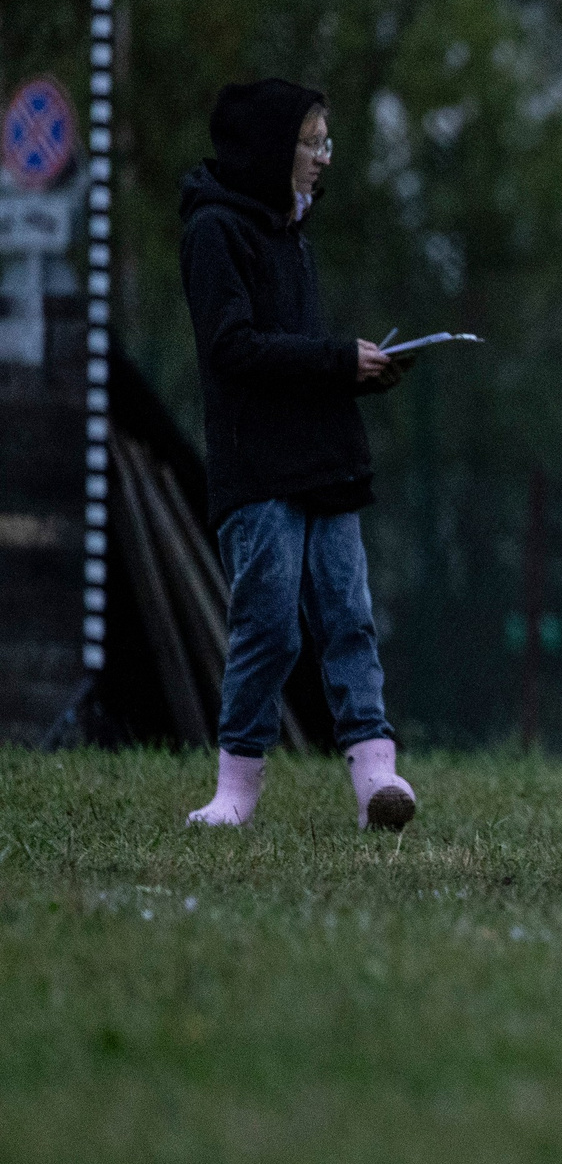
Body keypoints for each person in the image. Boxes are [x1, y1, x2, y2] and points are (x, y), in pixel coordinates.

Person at [178, 78, 416, 830]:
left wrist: (360, 372)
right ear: (269, 149)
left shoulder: (293, 233)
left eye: (325, 141)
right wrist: (337, 361)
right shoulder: (214, 233)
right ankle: (235, 791)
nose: (324, 156)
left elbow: (299, 359)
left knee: (349, 618)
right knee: (270, 626)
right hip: (257, 470)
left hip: (325, 462)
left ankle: (377, 780)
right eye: (311, 142)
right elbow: (233, 348)